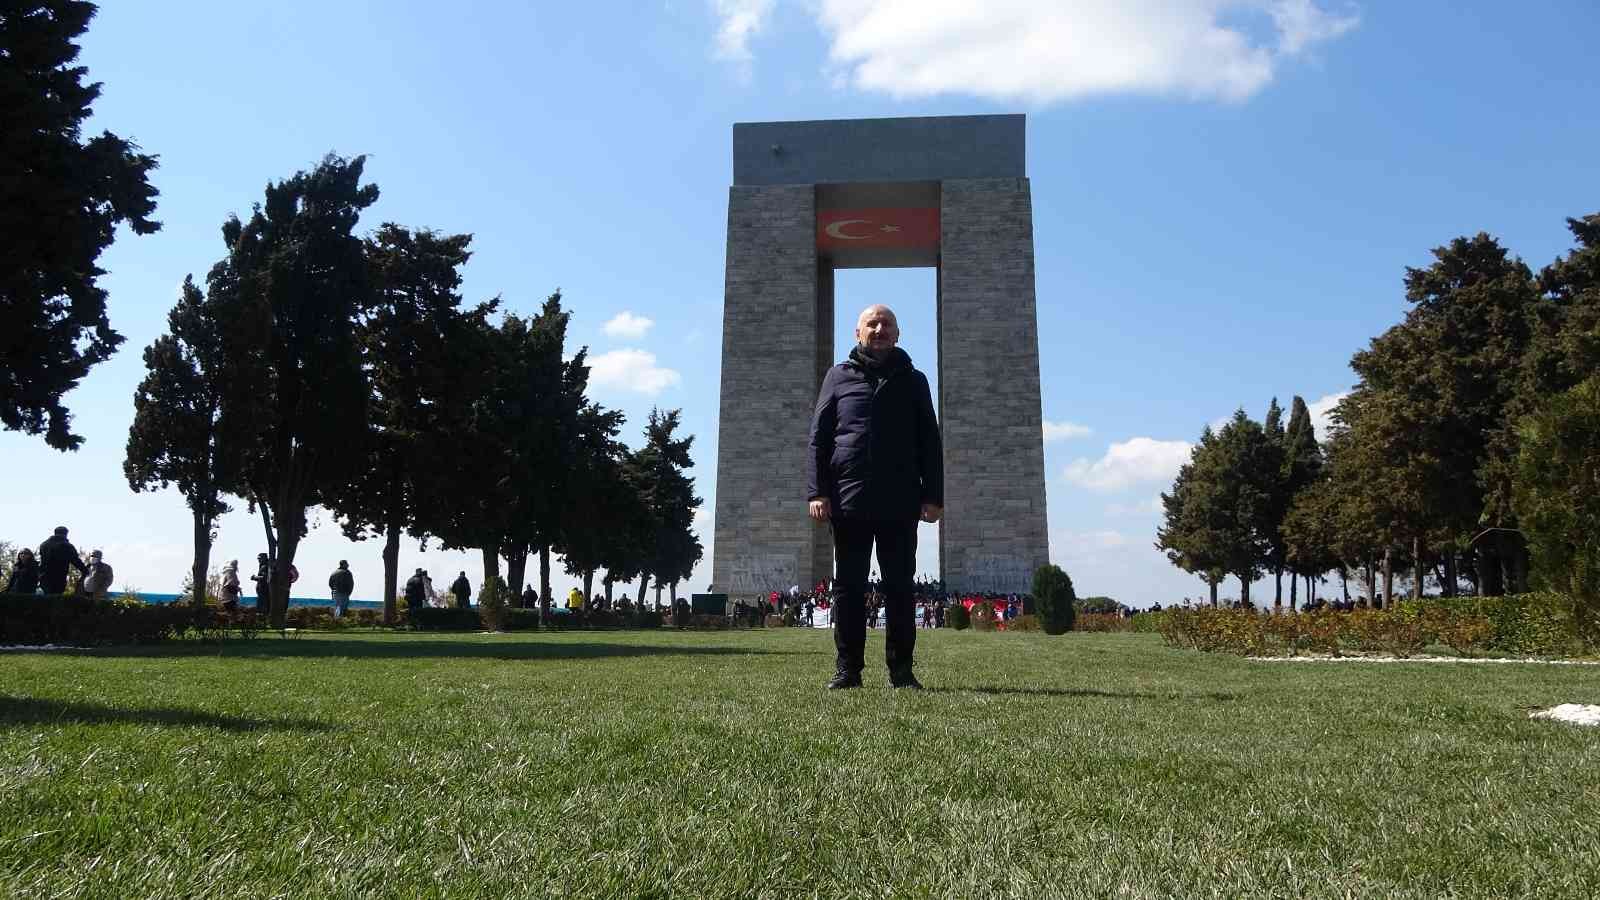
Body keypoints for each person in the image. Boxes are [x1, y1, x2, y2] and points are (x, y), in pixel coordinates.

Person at [808, 304, 943, 690]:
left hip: (900, 499)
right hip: (848, 499)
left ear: (897, 334)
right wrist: (817, 491)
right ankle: (847, 670)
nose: (880, 329)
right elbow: (819, 438)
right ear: (858, 333)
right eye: (872, 323)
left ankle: (901, 672)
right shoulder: (837, 376)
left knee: (900, 586)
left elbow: (930, 441)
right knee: (848, 587)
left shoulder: (914, 380)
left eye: (887, 324)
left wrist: (933, 496)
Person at [37, 526, 87, 595]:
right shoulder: (67, 546)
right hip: (59, 577)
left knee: (46, 597)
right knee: (56, 597)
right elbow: (76, 560)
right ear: (66, 534)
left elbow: (42, 560)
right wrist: (85, 571)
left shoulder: (44, 544)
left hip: (44, 576)